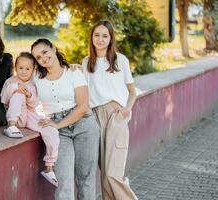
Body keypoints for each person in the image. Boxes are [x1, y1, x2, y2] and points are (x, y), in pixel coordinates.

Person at [31, 38, 100, 200]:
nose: (43, 58)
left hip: (84, 125)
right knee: (63, 181)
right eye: (38, 58)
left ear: (53, 48)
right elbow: (18, 76)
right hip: (59, 132)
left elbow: (83, 106)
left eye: (44, 52)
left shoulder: (74, 72)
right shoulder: (35, 77)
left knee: (86, 179)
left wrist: (58, 124)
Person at [81, 19, 138, 200]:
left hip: (115, 116)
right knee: (105, 174)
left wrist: (126, 110)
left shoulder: (120, 60)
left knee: (113, 174)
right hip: (94, 118)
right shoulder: (85, 62)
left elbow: (132, 92)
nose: (100, 39)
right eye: (96, 35)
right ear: (91, 37)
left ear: (111, 38)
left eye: (105, 35)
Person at [0, 52, 60, 186]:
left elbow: (35, 103)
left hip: (31, 115)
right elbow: (4, 99)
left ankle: (49, 167)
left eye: (28, 69)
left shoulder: (34, 84)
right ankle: (11, 126)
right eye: (20, 68)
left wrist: (29, 94)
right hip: (16, 117)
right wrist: (16, 89)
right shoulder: (10, 81)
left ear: (33, 70)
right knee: (18, 95)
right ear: (15, 67)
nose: (24, 72)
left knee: (52, 131)